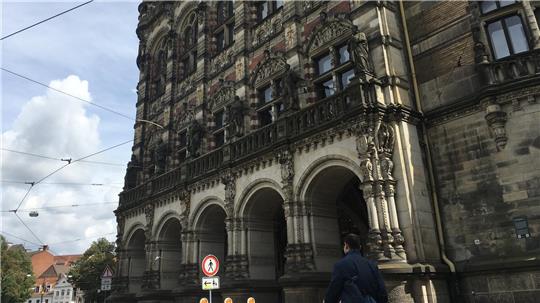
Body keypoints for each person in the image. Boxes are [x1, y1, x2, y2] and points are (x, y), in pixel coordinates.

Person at [324, 234, 388, 303]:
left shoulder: (340, 265)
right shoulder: (372, 264)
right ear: (360, 247)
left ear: (346, 246)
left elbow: (334, 290)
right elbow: (382, 290)